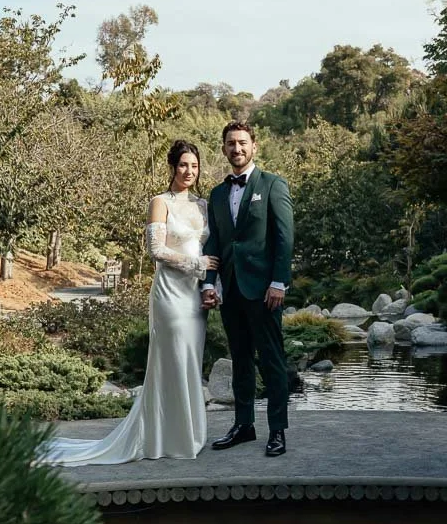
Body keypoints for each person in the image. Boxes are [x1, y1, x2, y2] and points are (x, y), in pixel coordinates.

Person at [39, 140, 212, 465]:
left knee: (190, 361)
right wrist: (197, 266)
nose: (189, 171)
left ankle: (188, 435)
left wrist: (207, 281)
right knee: (170, 361)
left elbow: (206, 245)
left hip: (194, 297)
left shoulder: (203, 206)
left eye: (194, 165)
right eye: (183, 165)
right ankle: (160, 439)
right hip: (170, 295)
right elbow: (156, 250)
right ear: (172, 167)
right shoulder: (160, 202)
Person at [200, 119, 295, 456]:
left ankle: (278, 432)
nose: (236, 149)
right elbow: (214, 244)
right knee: (240, 359)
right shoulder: (217, 193)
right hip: (232, 291)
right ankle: (244, 426)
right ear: (224, 148)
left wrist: (278, 281)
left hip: (265, 290)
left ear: (254, 146)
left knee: (272, 361)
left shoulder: (273, 185)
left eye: (242, 143)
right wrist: (209, 284)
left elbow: (284, 238)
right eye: (230, 143)